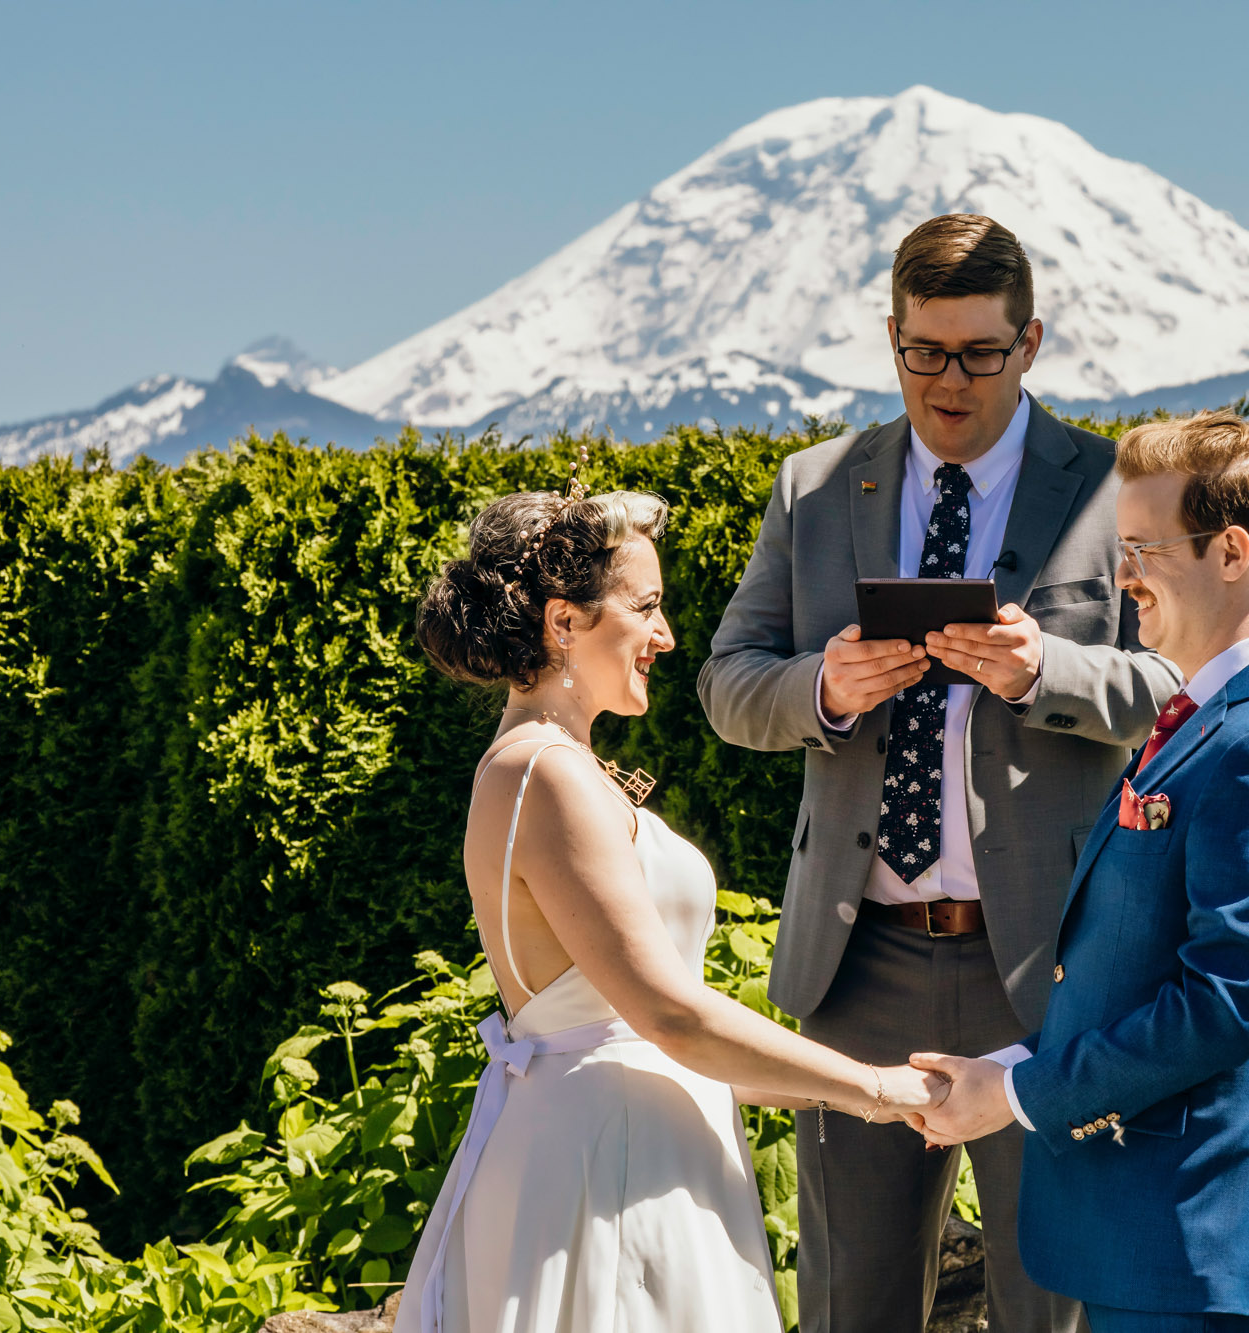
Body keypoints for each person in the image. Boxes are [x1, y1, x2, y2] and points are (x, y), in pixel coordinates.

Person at [698, 213, 1181, 1333]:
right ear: (891, 337)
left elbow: (1180, 687)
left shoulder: (1116, 489)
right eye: (924, 351)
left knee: (1050, 1308)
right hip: (857, 964)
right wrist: (823, 687)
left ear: (1031, 344)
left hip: (1051, 970)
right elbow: (727, 683)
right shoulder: (814, 487)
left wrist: (1043, 671)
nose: (947, 380)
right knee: (848, 1309)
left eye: (978, 353)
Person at [395, 474, 951, 1333]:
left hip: (638, 1145)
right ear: (564, 621)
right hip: (606, 1166)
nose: (666, 634)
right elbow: (672, 1015)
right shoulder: (545, 774)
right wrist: (877, 1087)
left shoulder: (553, 768)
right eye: (645, 607)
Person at [911, 411, 1249, 1333]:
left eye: (1142, 548)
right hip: (1150, 1234)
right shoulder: (1214, 714)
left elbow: (1224, 1003)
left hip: (1197, 1243)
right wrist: (1009, 1064)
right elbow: (1131, 959)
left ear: (1231, 551)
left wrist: (1014, 1094)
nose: (1123, 577)